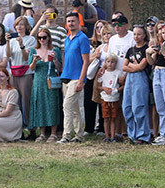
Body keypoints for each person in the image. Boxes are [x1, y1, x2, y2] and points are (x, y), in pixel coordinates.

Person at [57, 12, 90, 143]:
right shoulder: (67, 38)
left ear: (78, 22)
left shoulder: (83, 38)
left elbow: (86, 61)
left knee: (67, 105)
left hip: (77, 77)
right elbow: (66, 59)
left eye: (73, 21)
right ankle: (79, 135)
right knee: (75, 109)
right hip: (67, 77)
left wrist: (81, 80)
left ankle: (66, 135)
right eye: (69, 21)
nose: (71, 23)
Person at [28, 26, 62, 142]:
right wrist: (34, 61)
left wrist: (55, 60)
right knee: (40, 105)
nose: (42, 40)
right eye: (40, 38)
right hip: (38, 81)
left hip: (51, 80)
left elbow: (60, 68)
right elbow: (31, 68)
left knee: (52, 104)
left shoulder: (55, 50)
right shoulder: (33, 51)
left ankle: (53, 132)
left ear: (49, 38)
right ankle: (42, 133)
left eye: (44, 37)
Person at [6, 16, 37, 133]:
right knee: (15, 102)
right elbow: (9, 55)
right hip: (14, 73)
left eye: (22, 24)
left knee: (27, 101)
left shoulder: (31, 39)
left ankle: (31, 128)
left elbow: (26, 58)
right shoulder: (13, 40)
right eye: (17, 24)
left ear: (26, 27)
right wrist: (8, 42)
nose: (19, 27)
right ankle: (18, 129)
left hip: (26, 73)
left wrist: (22, 45)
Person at [122, 25, 152, 144]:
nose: (136, 36)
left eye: (139, 34)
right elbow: (124, 66)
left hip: (141, 79)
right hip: (130, 79)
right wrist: (133, 67)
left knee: (138, 107)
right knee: (127, 107)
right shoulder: (130, 50)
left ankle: (142, 135)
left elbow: (141, 67)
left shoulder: (146, 49)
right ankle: (132, 134)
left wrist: (132, 66)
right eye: (134, 34)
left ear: (144, 35)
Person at [147, 22, 165, 145]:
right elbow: (151, 62)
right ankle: (163, 134)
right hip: (156, 73)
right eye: (162, 33)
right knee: (160, 106)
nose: (164, 35)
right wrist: (149, 53)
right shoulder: (159, 44)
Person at [97, 54, 125, 143]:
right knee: (106, 118)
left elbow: (123, 85)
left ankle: (113, 136)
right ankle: (107, 136)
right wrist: (104, 89)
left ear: (116, 63)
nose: (110, 64)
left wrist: (116, 90)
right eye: (108, 62)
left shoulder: (118, 73)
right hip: (105, 98)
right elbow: (98, 86)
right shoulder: (102, 73)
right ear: (105, 62)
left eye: (112, 62)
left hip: (114, 98)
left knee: (113, 118)